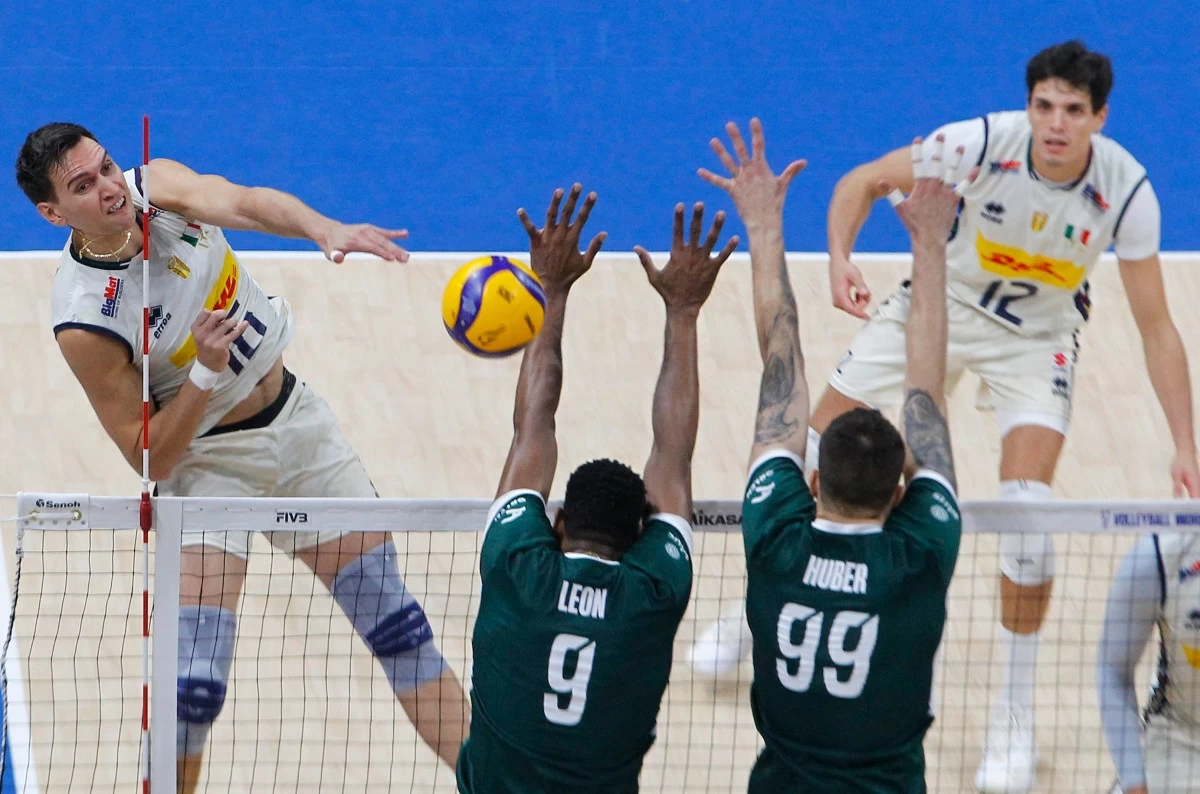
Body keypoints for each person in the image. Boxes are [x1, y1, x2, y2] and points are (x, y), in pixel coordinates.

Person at [687, 42, 1199, 793]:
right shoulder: (979, 144)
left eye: (1074, 111)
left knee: (1029, 528)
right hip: (935, 305)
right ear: (1030, 106)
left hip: (1038, 344)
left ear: (1100, 118)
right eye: (1045, 106)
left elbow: (1158, 327)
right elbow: (864, 179)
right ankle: (750, 613)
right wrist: (839, 255)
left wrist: (1185, 443)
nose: (1056, 124)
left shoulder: (1125, 192)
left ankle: (1013, 717)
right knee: (817, 449)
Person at [15, 122, 469, 791]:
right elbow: (151, 459)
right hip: (207, 464)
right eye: (84, 186)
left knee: (397, 626)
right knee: (193, 690)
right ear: (53, 213)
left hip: (300, 431)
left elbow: (247, 202)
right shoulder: (85, 319)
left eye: (107, 167)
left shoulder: (159, 191)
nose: (111, 188)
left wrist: (323, 228)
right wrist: (202, 373)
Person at [702, 117, 963, 791]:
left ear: (813, 480)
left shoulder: (776, 538)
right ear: (900, 496)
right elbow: (927, 395)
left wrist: (763, 226)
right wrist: (931, 247)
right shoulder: (919, 556)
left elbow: (780, 356)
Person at [456, 184, 737, 793]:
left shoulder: (516, 567)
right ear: (640, 534)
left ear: (556, 522)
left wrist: (549, 292)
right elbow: (674, 455)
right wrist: (683, 312)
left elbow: (533, 426)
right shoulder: (652, 591)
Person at [1097, 531, 1200, 794]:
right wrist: (1134, 783)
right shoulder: (1158, 558)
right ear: (1185, 486)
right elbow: (1113, 672)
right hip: (1180, 746)